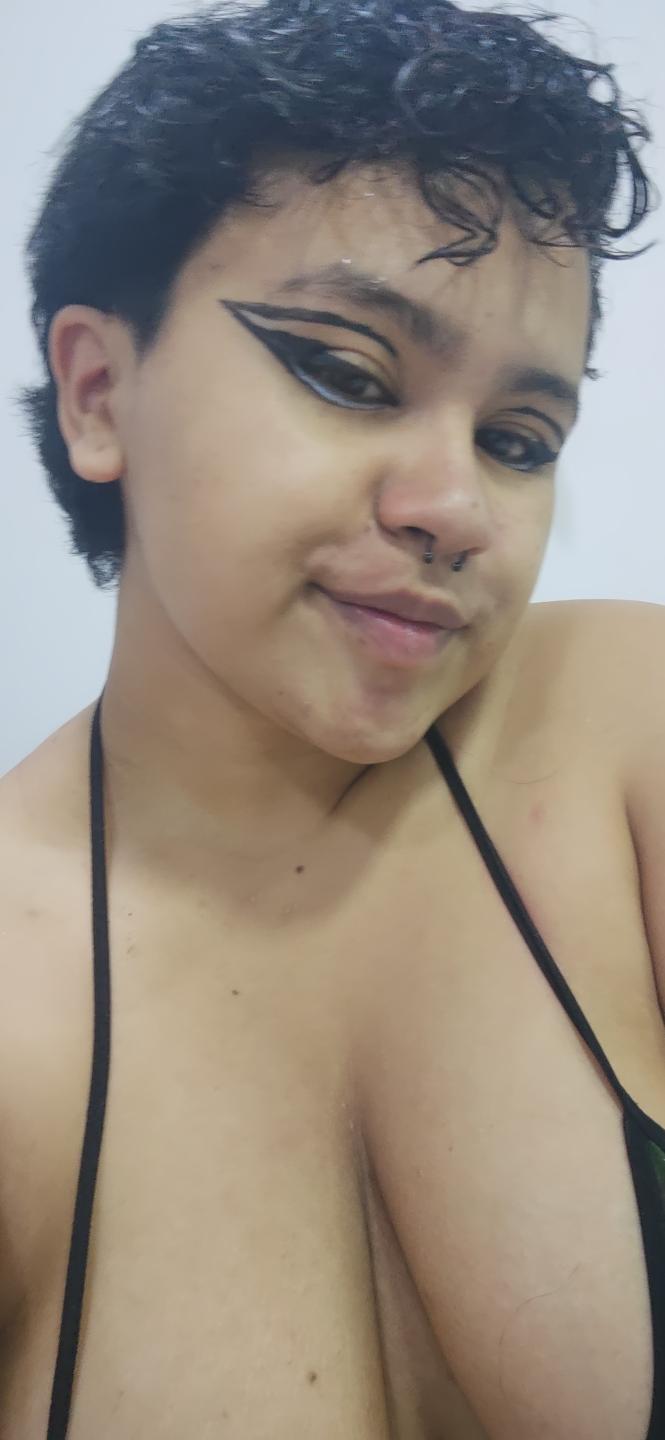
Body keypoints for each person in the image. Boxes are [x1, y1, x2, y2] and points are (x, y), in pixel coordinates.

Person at [1, 0, 662, 1434]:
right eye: (349, 375)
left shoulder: (625, 740)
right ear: (100, 392)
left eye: (518, 440)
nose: (455, 508)